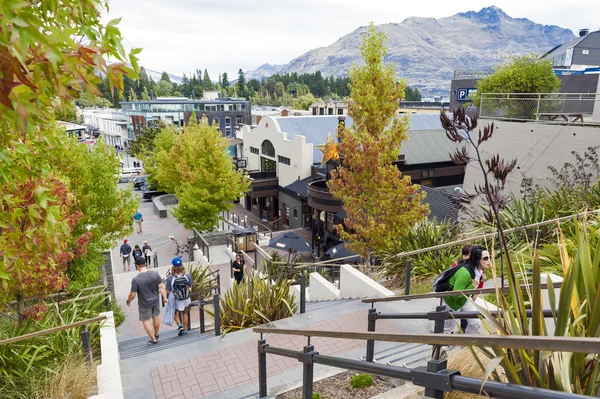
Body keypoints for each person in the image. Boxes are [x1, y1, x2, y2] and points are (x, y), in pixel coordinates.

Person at [443, 246, 490, 334]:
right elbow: (456, 294)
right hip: (452, 301)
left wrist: (474, 294)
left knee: (475, 323)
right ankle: (443, 347)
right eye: (486, 258)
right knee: (448, 328)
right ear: (476, 259)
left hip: (465, 298)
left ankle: (465, 344)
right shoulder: (464, 273)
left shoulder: (479, 271)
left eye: (489, 257)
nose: (489, 261)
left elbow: (478, 285)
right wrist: (473, 285)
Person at [126, 256, 167, 345]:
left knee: (146, 320)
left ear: (137, 266)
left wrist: (128, 301)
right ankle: (156, 334)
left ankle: (153, 339)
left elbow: (132, 294)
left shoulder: (136, 280)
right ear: (145, 264)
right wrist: (164, 297)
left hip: (144, 303)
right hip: (155, 300)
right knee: (155, 316)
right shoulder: (155, 274)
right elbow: (161, 287)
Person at [165, 257, 193, 336]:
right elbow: (190, 286)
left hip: (176, 299)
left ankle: (179, 325)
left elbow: (168, 290)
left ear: (173, 267)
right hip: (186, 299)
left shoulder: (170, 277)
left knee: (174, 312)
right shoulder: (187, 275)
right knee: (185, 314)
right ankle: (185, 330)